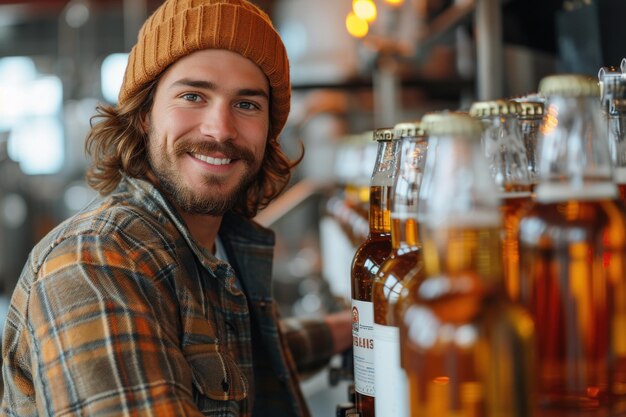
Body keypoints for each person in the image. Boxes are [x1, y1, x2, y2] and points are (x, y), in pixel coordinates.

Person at [0, 0, 352, 415]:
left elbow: (238, 353)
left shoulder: (211, 243)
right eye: (192, 95)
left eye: (247, 104)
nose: (220, 129)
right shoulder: (96, 265)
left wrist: (348, 329)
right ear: (145, 114)